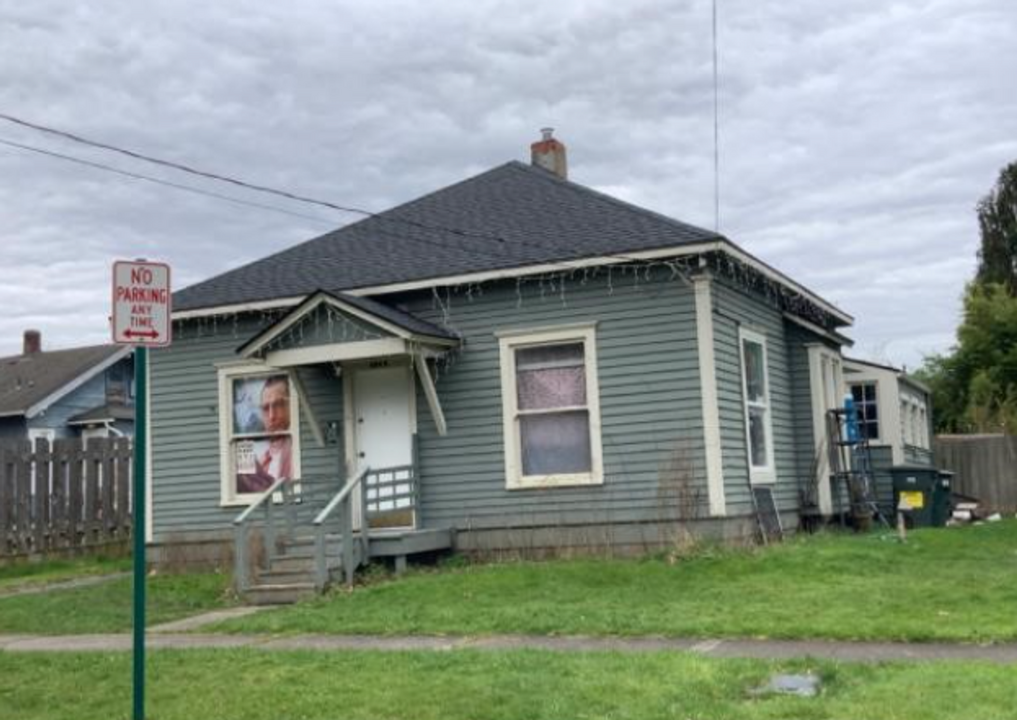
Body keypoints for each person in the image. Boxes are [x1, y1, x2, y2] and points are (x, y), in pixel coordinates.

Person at [237, 376, 294, 494]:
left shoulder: (295, 453)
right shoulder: (262, 460)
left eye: (279, 404)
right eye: (266, 408)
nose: (272, 416)